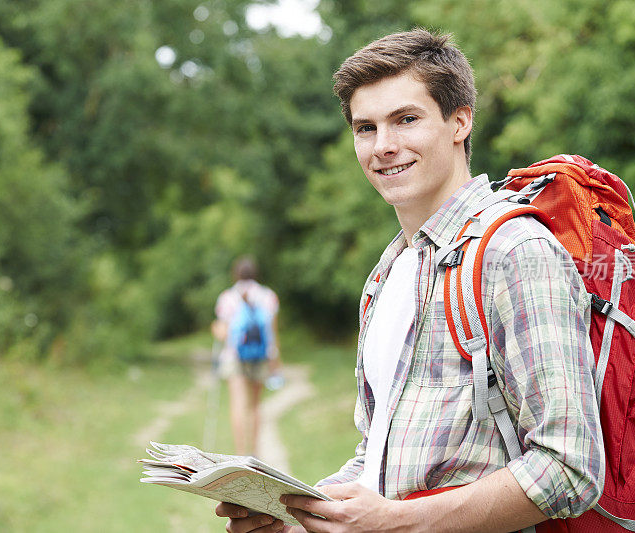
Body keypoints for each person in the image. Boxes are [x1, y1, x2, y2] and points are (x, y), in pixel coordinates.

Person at [217, 29, 604, 532]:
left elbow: (570, 466)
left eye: (406, 119)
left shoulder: (514, 252)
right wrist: (296, 519)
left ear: (460, 121)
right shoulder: (388, 273)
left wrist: (396, 522)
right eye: (365, 128)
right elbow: (380, 453)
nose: (384, 146)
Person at [213, 255, 282, 456]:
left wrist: (215, 329)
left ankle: (241, 453)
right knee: (255, 405)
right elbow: (272, 332)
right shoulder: (268, 296)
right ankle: (255, 453)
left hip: (234, 357)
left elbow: (223, 332)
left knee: (238, 404)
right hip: (261, 356)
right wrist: (275, 360)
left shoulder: (227, 297)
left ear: (235, 274)